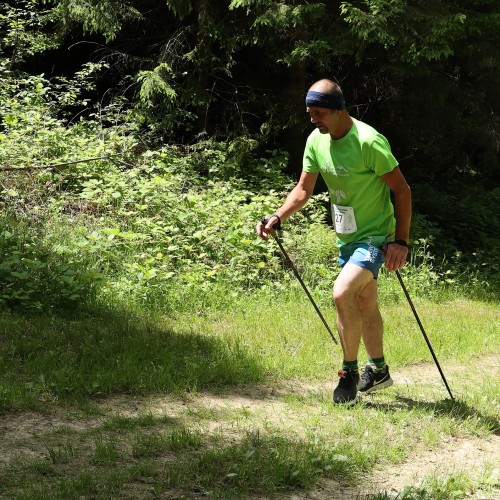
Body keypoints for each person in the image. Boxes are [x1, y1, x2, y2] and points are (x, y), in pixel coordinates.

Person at [256, 79, 412, 403]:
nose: (313, 119)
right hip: (347, 238)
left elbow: (402, 190)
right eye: (310, 113)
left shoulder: (369, 142)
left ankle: (348, 375)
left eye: (320, 113)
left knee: (342, 293)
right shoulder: (316, 141)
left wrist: (401, 241)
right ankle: (379, 369)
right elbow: (303, 190)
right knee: (364, 304)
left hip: (375, 237)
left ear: (340, 110)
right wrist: (278, 216)